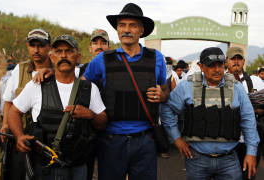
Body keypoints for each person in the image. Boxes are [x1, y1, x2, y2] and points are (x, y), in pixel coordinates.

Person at [84, 3, 169, 180]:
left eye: (132, 25)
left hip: (145, 139)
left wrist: (163, 95)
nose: (126, 30)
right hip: (111, 140)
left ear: (141, 30)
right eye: (122, 25)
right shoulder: (102, 59)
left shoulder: (156, 58)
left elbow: (165, 87)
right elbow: (82, 85)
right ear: (117, 30)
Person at [7, 34, 107, 180]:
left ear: (78, 57)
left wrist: (90, 115)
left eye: (69, 51)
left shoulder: (90, 88)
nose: (64, 55)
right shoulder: (37, 85)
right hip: (43, 168)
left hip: (77, 168)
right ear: (52, 57)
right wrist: (19, 136)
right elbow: (13, 112)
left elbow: (102, 123)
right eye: (59, 51)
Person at [161, 47, 259, 180]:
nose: (217, 69)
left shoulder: (237, 87)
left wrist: (251, 152)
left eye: (220, 65)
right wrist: (176, 139)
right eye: (211, 65)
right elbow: (167, 108)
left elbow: (248, 120)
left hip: (229, 159)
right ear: (201, 66)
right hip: (197, 159)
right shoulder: (187, 86)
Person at [0, 29, 52, 180]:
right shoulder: (19, 70)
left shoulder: (58, 69)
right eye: (32, 45)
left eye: (41, 45)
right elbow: (8, 100)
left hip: (46, 137)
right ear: (27, 46)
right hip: (19, 133)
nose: (36, 50)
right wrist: (5, 125)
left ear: (49, 47)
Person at [226, 46, 264, 180]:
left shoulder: (256, 81)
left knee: (248, 175)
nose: (236, 62)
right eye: (233, 59)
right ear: (226, 61)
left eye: (239, 59)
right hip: (227, 140)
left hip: (250, 139)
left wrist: (250, 110)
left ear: (244, 61)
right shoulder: (219, 80)